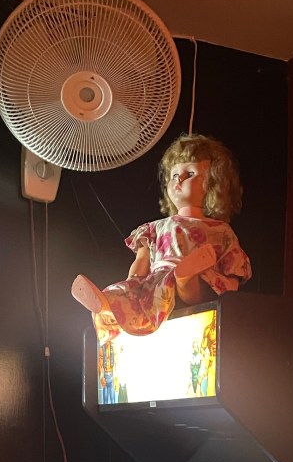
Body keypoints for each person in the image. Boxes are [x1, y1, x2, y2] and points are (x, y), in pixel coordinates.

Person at [71, 133, 251, 341]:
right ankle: (104, 305)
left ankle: (186, 277)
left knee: (192, 288)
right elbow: (141, 261)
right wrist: (132, 282)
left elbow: (232, 266)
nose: (179, 180)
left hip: (201, 280)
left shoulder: (220, 230)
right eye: (174, 175)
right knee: (125, 293)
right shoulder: (155, 228)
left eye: (190, 173)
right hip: (158, 281)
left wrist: (231, 295)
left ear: (213, 184)